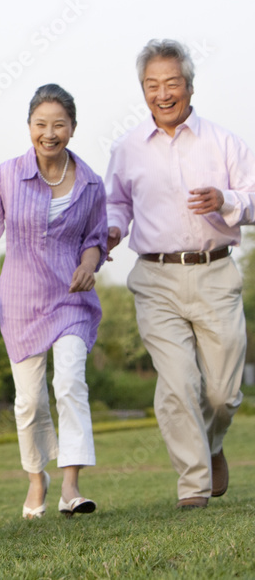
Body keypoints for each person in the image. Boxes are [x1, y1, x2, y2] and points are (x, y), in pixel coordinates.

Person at [106, 39, 255, 510]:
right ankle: (193, 485)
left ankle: (211, 447)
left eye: (171, 83)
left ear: (189, 85)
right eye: (152, 85)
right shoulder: (126, 148)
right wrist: (111, 228)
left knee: (222, 393)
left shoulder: (223, 141)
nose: (162, 93)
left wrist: (226, 200)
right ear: (143, 90)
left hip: (215, 276)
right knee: (177, 383)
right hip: (156, 279)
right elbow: (116, 203)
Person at [0, 84, 106, 519]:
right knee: (29, 401)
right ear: (29, 128)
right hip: (20, 301)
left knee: (71, 382)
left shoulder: (91, 182)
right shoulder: (8, 175)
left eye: (59, 124)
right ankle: (38, 478)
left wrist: (89, 265)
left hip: (71, 299)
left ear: (72, 129)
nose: (49, 133)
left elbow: (95, 239)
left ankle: (72, 487)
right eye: (41, 124)